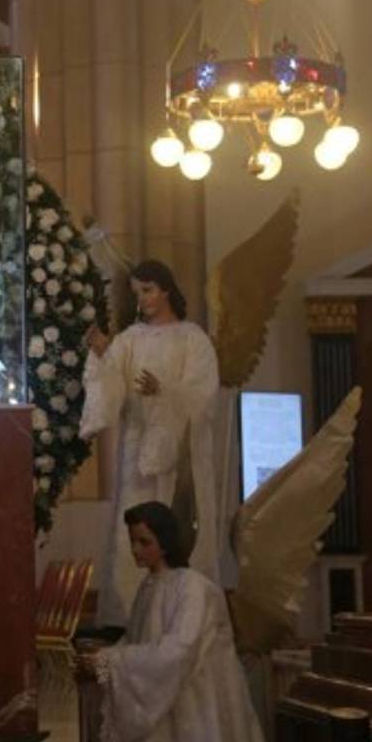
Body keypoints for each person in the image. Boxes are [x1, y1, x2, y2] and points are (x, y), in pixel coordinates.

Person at [78, 501, 263, 742]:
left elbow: (180, 650)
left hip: (193, 704)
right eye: (133, 540)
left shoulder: (193, 588)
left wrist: (111, 661)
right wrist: (103, 658)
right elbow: (135, 639)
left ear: (164, 541)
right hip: (157, 698)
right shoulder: (149, 587)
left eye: (144, 541)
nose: (135, 549)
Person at [80, 259, 220, 627]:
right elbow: (112, 383)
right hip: (138, 455)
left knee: (178, 525)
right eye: (136, 292)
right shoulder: (131, 339)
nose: (141, 299)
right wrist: (100, 353)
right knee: (136, 523)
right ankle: (130, 618)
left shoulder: (193, 338)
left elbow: (204, 395)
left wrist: (166, 393)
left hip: (181, 461)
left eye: (148, 290)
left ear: (166, 289)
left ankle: (186, 621)